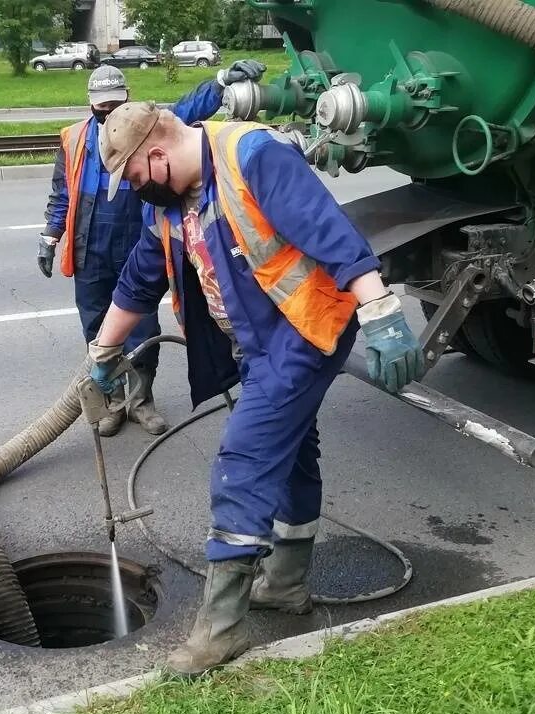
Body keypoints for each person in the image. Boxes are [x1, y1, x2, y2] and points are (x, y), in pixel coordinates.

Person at [88, 102, 426, 676]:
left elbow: (329, 231)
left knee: (243, 460)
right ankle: (286, 585)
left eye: (138, 177)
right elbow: (139, 280)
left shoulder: (253, 156)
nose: (138, 191)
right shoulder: (172, 204)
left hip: (306, 330)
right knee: (291, 454)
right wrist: (102, 353)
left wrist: (382, 309)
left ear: (157, 150)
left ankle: (221, 629)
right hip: (258, 341)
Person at [37, 60, 267, 437]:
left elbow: (190, 109)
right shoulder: (74, 138)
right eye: (102, 105)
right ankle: (111, 404)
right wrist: (50, 235)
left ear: (126, 98)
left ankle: (141, 400)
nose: (109, 111)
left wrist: (222, 82)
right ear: (90, 103)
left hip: (133, 242)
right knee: (99, 328)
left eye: (115, 103)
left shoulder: (144, 128)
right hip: (90, 247)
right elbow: (62, 192)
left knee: (141, 330)